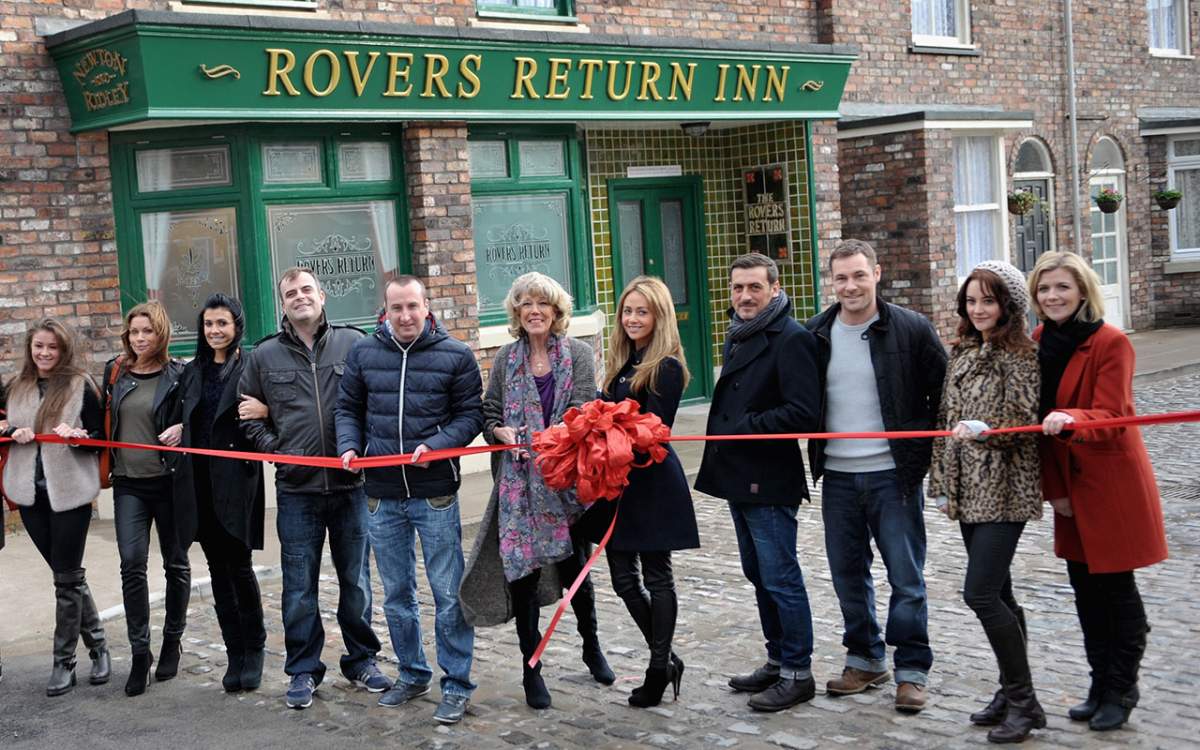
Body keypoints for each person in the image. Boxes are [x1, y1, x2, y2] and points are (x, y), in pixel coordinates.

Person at [459, 272, 613, 711]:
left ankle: (591, 645)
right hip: (516, 490)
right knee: (522, 577)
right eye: (525, 303)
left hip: (564, 487)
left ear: (556, 310)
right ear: (516, 312)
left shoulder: (580, 355)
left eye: (542, 303)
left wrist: (550, 440)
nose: (534, 311)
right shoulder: (507, 358)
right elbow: (489, 411)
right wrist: (499, 430)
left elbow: (583, 412)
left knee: (575, 575)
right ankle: (532, 669)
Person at [805, 239, 947, 712]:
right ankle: (864, 658)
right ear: (833, 281)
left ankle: (911, 670)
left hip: (893, 475)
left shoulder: (911, 329)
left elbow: (944, 396)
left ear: (877, 274)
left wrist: (923, 453)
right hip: (839, 477)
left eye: (859, 275)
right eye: (842, 277)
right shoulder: (817, 333)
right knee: (848, 575)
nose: (850, 286)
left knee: (906, 577)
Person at [335, 275, 483, 725]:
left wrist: (440, 443)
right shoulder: (363, 352)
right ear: (385, 309)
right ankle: (413, 672)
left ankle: (456, 683)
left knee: (446, 594)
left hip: (434, 492)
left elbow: (471, 414)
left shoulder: (455, 355)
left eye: (412, 307)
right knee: (397, 595)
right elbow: (348, 409)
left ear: (426, 306)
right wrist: (348, 445)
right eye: (396, 308)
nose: (405, 316)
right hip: (380, 495)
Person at [1030, 251, 1168, 733]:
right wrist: (1054, 491)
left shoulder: (1111, 342)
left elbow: (1114, 416)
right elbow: (1036, 421)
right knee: (1085, 592)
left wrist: (1072, 420)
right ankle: (1097, 683)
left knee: (1116, 592)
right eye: (1045, 289)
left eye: (1062, 287)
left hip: (1110, 485)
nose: (1053, 297)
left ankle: (1121, 688)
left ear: (1083, 290)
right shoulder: (1041, 340)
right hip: (1070, 485)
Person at [239, 268, 387, 710]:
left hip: (350, 487)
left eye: (306, 289)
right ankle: (303, 669)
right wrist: (278, 451)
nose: (300, 297)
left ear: (322, 295)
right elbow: (248, 418)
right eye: (290, 293)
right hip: (297, 491)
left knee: (356, 582)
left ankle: (362, 660)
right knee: (299, 586)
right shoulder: (264, 356)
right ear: (282, 303)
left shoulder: (356, 343)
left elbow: (374, 403)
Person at [694, 252, 821, 712]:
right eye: (737, 288)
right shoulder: (739, 333)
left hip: (769, 478)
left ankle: (797, 673)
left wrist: (746, 425)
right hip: (738, 476)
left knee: (781, 575)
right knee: (757, 572)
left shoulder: (791, 338)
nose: (745, 296)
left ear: (774, 287)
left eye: (754, 287)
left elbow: (806, 412)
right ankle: (777, 658)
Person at [927, 261, 1045, 743]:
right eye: (972, 300)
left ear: (1009, 305)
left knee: (979, 593)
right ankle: (1008, 690)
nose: (978, 309)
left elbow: (1022, 417)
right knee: (1000, 594)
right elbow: (944, 417)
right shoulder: (964, 350)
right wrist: (938, 481)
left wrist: (988, 433)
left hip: (1004, 488)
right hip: (967, 490)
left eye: (988, 300)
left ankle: (1025, 701)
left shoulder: (1020, 354)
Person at [589, 276, 700, 707]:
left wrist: (606, 425)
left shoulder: (666, 367)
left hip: (652, 483)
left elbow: (653, 431)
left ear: (659, 316)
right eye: (628, 311)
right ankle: (668, 657)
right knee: (622, 580)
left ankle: (657, 670)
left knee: (657, 576)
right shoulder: (621, 361)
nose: (633, 319)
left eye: (642, 311)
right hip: (618, 483)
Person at [1, 318, 110, 696]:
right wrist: (11, 432)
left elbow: (102, 440)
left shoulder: (82, 385)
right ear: (30, 349)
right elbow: (0, 427)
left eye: (52, 347)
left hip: (70, 494)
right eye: (38, 347)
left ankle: (64, 662)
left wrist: (80, 438)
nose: (45, 353)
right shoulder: (15, 387)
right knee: (69, 576)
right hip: (29, 495)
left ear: (63, 350)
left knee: (65, 579)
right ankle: (99, 646)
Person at [176, 294, 267, 693]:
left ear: (236, 327)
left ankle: (255, 647)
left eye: (222, 324)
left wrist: (265, 412)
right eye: (209, 324)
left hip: (236, 479)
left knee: (240, 566)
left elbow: (273, 406)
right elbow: (178, 414)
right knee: (216, 570)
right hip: (200, 483)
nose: (215, 331)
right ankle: (234, 651)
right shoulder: (192, 371)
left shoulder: (249, 366)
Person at [103, 301, 191, 696]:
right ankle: (141, 652)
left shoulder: (179, 373)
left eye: (147, 331)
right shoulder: (116, 372)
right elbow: (98, 419)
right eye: (134, 332)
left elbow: (201, 418)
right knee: (131, 563)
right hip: (128, 483)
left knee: (176, 562)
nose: (140, 339)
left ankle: (172, 640)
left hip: (169, 481)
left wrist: (183, 427)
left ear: (161, 334)